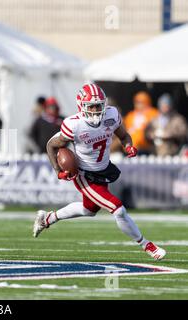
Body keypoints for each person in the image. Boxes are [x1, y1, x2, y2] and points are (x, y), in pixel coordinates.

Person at [33, 83, 166, 261]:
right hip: (84, 174)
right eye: (92, 106)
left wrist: (128, 146)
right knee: (118, 209)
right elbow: (51, 145)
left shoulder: (111, 115)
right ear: (82, 106)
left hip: (102, 170)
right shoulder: (74, 125)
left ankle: (47, 219)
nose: (96, 110)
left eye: (99, 105)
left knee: (89, 210)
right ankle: (147, 245)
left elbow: (124, 135)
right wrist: (58, 170)